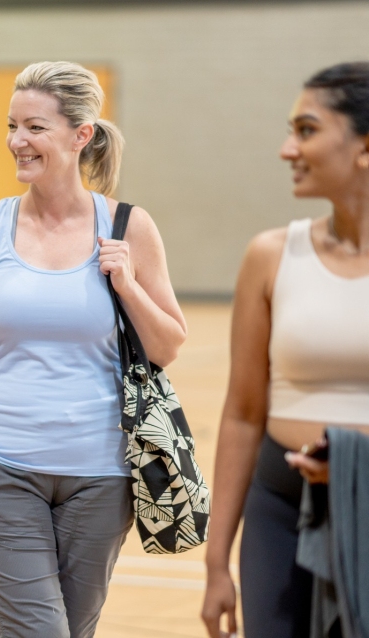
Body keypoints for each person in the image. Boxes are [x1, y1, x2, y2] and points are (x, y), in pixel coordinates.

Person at [0, 61, 187, 638]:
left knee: (69, 630)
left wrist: (127, 285)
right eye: (12, 125)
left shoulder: (129, 227)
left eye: (35, 128)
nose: (17, 142)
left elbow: (168, 345)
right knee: (38, 630)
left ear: (81, 135)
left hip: (101, 476)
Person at [201, 62, 369, 638]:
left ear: (365, 145)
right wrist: (216, 559)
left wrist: (351, 463)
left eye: (305, 130)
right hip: (278, 509)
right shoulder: (271, 255)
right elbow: (243, 414)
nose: (285, 149)